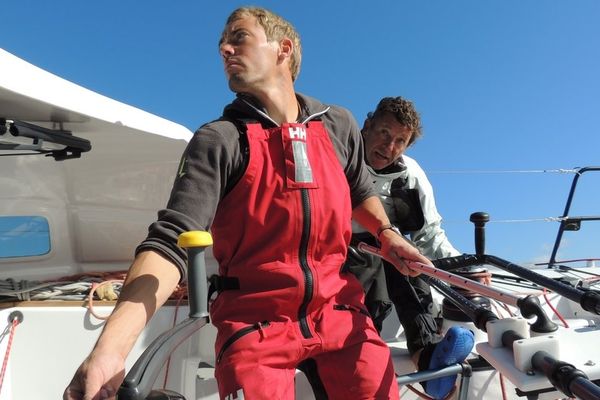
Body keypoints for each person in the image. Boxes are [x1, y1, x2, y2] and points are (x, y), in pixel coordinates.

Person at [64, 7, 433, 400]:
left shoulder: (338, 124)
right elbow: (170, 241)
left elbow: (359, 189)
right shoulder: (220, 140)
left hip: (339, 310)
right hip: (253, 323)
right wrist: (109, 350)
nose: (224, 49)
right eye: (223, 43)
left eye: (238, 37)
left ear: (283, 50)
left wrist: (388, 234)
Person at [347, 97, 475, 399]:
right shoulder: (339, 157)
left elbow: (428, 234)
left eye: (400, 141)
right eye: (383, 134)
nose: (389, 147)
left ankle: (428, 356)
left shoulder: (409, 175)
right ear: (366, 127)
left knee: (410, 262)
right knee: (378, 263)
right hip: (336, 254)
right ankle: (359, 355)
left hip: (389, 252)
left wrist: (464, 271)